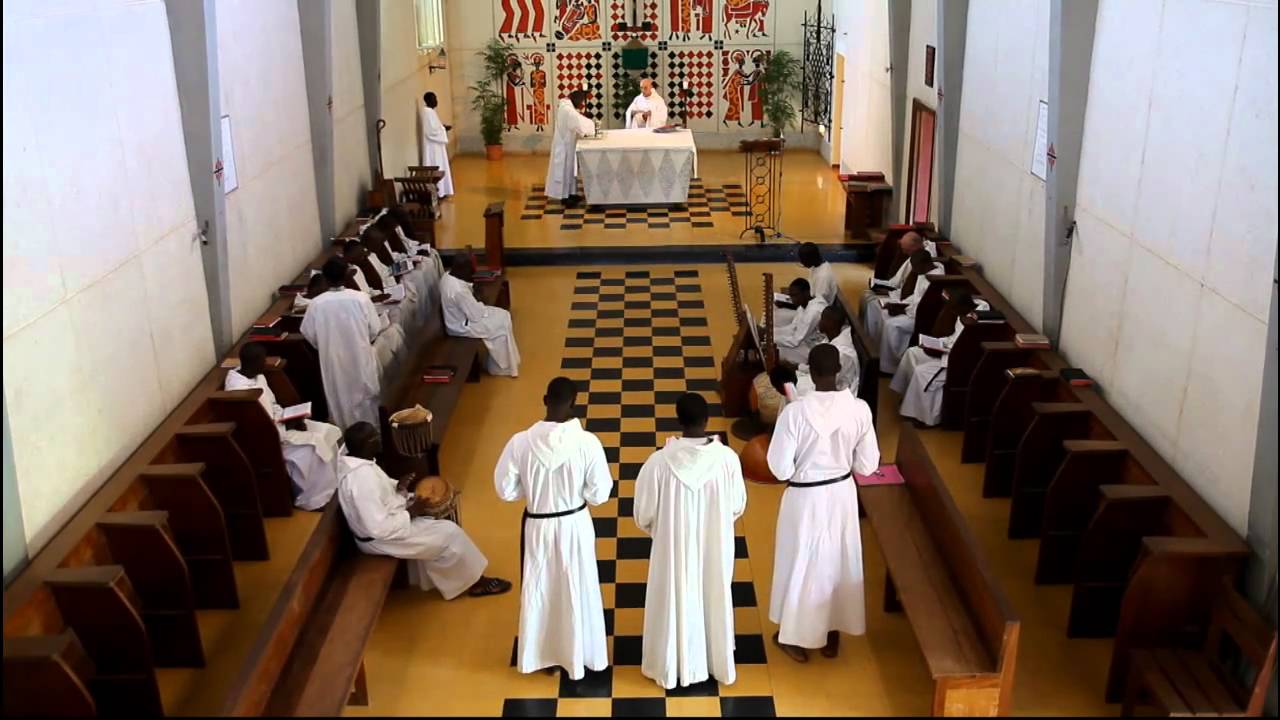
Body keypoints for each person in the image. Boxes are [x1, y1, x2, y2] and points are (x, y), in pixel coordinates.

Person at [767, 344, 880, 663]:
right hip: (841, 495)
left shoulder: (795, 413)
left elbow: (780, 469)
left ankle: (793, 635)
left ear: (812, 373)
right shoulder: (859, 410)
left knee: (801, 562)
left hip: (804, 497)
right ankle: (831, 633)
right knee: (836, 562)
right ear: (839, 371)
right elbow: (868, 465)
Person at [494, 377, 612, 680]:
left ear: (545, 399)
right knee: (578, 585)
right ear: (574, 403)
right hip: (574, 522)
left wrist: (532, 491)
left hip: (538, 523)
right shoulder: (587, 443)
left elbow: (505, 490)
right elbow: (599, 494)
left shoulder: (520, 441)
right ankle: (581, 655)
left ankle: (543, 656)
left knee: (541, 587)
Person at [634, 393, 746, 690]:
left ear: (678, 420)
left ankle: (673, 666)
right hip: (715, 545)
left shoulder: (658, 462)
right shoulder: (727, 459)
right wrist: (712, 526)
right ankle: (715, 662)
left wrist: (668, 532)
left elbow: (643, 514)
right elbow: (736, 505)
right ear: (707, 421)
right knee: (713, 593)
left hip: (673, 548)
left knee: (675, 595)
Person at [338, 422, 511, 598]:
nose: (380, 440)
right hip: (379, 540)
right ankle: (477, 583)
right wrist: (412, 512)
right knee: (450, 534)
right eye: (375, 437)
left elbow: (380, 495)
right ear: (366, 444)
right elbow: (377, 528)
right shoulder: (361, 480)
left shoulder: (361, 463)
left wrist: (398, 487)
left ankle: (461, 578)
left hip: (390, 524)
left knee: (438, 526)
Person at [224, 342, 344, 510]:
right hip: (270, 440)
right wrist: (287, 424)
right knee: (314, 447)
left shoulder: (258, 376)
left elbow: (272, 405)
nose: (265, 364)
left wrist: (293, 416)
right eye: (263, 360)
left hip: (280, 423)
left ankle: (334, 485)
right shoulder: (239, 392)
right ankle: (314, 499)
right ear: (254, 362)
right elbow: (258, 427)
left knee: (328, 430)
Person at [300, 258, 389, 429]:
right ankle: (372, 436)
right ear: (347, 276)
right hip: (360, 357)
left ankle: (347, 439)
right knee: (366, 398)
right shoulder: (360, 299)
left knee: (339, 399)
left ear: (325, 278)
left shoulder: (316, 304)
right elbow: (374, 329)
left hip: (333, 361)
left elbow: (309, 334)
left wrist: (327, 346)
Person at [891, 289, 985, 426]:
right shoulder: (963, 312)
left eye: (954, 308)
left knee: (921, 373)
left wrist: (941, 350)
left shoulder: (977, 320)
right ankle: (908, 397)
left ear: (964, 306)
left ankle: (926, 419)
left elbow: (963, 350)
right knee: (912, 353)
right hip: (947, 350)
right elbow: (954, 338)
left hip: (955, 362)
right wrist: (937, 343)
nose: (952, 312)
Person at [865, 249, 944, 374]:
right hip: (912, 309)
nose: (914, 270)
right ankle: (877, 353)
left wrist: (902, 309)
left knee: (891, 325)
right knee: (882, 312)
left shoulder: (935, 280)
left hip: (919, 317)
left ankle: (890, 367)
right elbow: (915, 297)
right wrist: (900, 304)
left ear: (924, 264)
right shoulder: (924, 272)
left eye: (915, 267)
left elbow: (924, 306)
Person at [441, 257, 522, 377]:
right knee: (500, 325)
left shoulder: (447, 276)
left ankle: (504, 362)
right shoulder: (458, 291)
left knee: (504, 315)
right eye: (469, 272)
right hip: (461, 326)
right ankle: (499, 367)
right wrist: (481, 304)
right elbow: (475, 315)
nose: (471, 275)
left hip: (463, 317)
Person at [791, 306, 860, 397]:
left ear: (831, 323)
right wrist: (798, 367)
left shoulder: (843, 353)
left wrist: (799, 375)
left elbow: (828, 381)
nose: (819, 322)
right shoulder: (832, 338)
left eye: (822, 319)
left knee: (793, 388)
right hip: (825, 383)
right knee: (791, 382)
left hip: (838, 394)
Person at [546, 90, 595, 209]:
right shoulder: (567, 109)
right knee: (564, 172)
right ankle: (565, 198)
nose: (582, 104)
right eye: (581, 102)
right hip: (564, 147)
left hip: (568, 144)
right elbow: (577, 122)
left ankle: (571, 194)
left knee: (570, 171)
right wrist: (590, 123)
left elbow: (576, 119)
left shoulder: (566, 106)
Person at [859, 231, 930, 312]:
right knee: (866, 295)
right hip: (898, 293)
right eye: (903, 250)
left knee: (872, 302)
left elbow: (911, 292)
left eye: (906, 250)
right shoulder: (912, 257)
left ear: (914, 247)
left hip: (904, 299)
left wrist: (889, 293)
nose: (904, 253)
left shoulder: (921, 261)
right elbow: (897, 281)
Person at [775, 243, 838, 328]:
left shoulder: (823, 276)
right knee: (775, 309)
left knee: (776, 316)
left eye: (803, 260)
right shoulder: (816, 267)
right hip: (807, 306)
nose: (802, 263)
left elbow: (819, 304)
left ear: (811, 258)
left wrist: (791, 303)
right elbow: (810, 292)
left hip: (814, 315)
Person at [773, 278, 828, 366]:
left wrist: (772, 338)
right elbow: (793, 327)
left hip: (813, 349)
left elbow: (795, 341)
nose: (792, 299)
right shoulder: (804, 305)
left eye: (795, 295)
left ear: (806, 293)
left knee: (776, 351)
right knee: (775, 345)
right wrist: (771, 332)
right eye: (791, 295)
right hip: (804, 341)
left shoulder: (813, 311)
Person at [419, 92, 454, 198]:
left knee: (441, 166)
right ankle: (438, 192)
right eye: (434, 99)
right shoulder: (427, 112)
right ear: (428, 100)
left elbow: (435, 127)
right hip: (433, 147)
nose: (436, 101)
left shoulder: (431, 112)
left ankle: (442, 191)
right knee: (436, 166)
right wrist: (443, 129)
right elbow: (430, 132)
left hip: (437, 146)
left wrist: (442, 127)